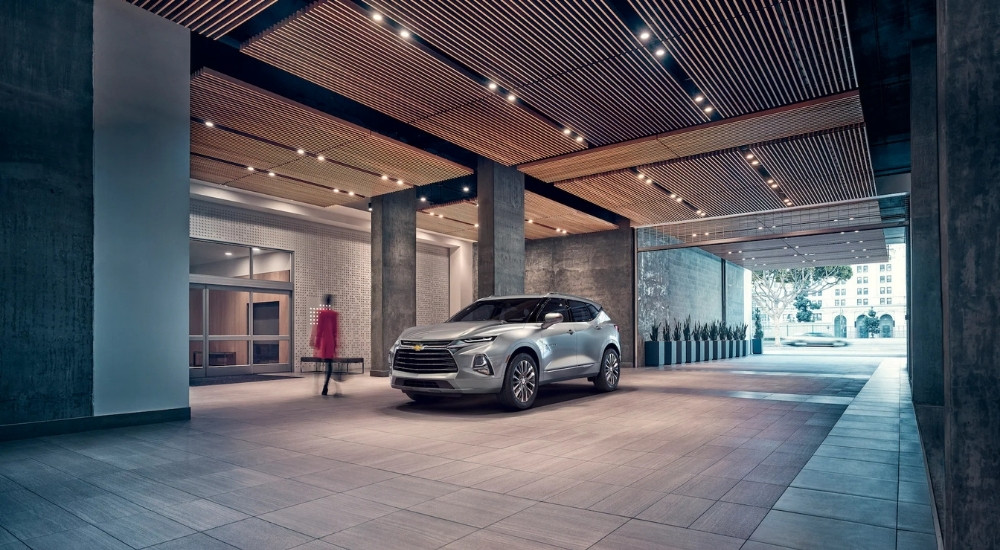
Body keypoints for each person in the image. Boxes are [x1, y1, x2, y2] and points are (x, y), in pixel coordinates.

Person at [310, 294, 341, 396]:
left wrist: (316, 344)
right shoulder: (334, 314)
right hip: (331, 342)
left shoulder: (321, 313)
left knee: (319, 364)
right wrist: (336, 346)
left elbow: (319, 330)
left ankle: (317, 387)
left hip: (323, 342)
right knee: (329, 365)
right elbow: (336, 331)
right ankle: (325, 386)